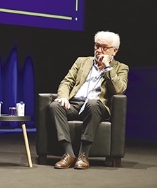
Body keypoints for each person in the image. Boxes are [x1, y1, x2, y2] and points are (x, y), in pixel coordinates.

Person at [48, 30, 129, 170]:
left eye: (104, 47)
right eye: (97, 46)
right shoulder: (82, 61)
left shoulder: (121, 68)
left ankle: (83, 154)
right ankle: (68, 153)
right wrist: (63, 97)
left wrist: (107, 67)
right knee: (55, 106)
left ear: (114, 51)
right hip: (75, 104)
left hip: (97, 107)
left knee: (93, 103)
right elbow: (67, 82)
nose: (99, 50)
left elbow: (119, 90)